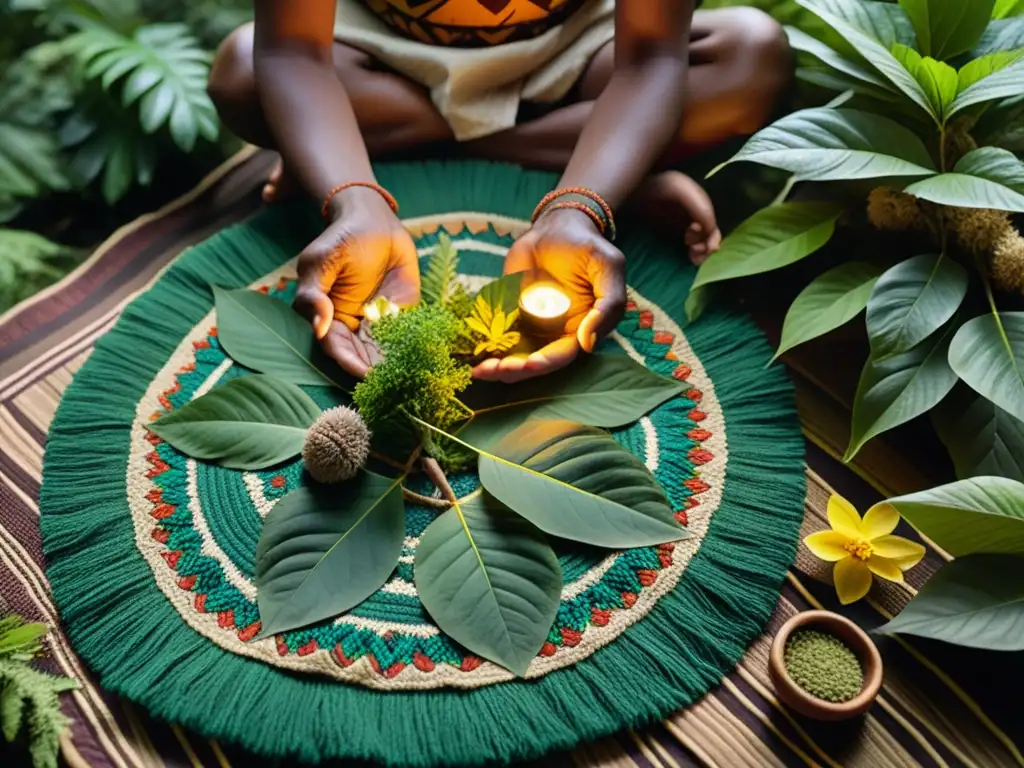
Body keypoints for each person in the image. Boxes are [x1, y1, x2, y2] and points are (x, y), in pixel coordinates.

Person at [208, 0, 792, 382]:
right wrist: (354, 200)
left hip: (576, 50)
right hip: (384, 54)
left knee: (749, 59)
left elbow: (650, 57)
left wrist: (577, 208)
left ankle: (364, 146)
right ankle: (591, 156)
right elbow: (290, 49)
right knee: (244, 71)